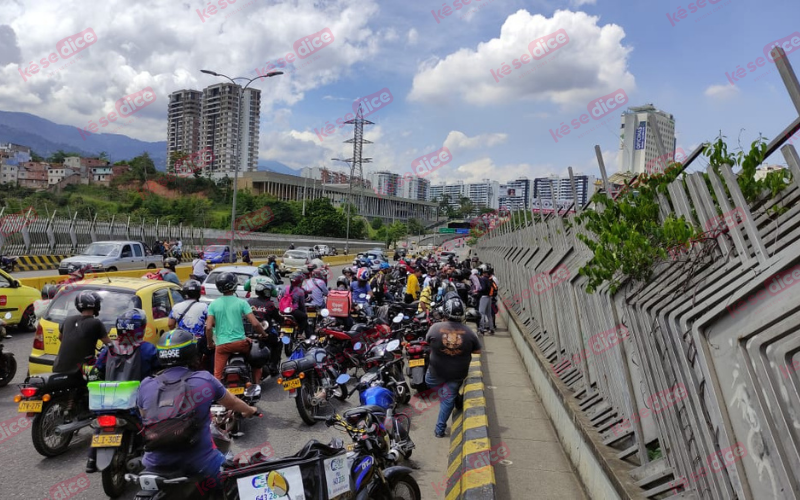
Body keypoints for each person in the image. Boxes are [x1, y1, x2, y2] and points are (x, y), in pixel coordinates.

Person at [137, 329, 258, 490]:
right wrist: (249, 410)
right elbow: (234, 402)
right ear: (192, 353)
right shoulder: (204, 379)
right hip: (200, 463)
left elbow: (144, 416)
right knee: (236, 484)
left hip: (153, 464)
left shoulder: (146, 384)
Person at [87, 309, 161, 472]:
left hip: (109, 398)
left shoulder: (109, 349)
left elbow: (97, 369)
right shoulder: (147, 349)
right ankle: (153, 458)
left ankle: (91, 459)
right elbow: (160, 370)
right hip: (137, 401)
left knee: (101, 423)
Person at [425, 297, 482, 438]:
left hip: (435, 374)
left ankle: (450, 398)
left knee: (435, 387)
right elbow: (477, 351)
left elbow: (427, 342)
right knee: (448, 399)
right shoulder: (469, 332)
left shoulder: (435, 328)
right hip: (457, 374)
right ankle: (439, 429)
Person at [205, 272, 268, 388]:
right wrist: (263, 334)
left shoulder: (213, 305)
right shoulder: (242, 303)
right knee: (257, 360)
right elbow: (255, 323)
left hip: (222, 346)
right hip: (240, 344)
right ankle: (257, 384)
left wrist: (210, 343)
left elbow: (208, 327)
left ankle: (220, 395)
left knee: (217, 375)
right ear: (234, 285)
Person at [53, 291, 113, 373]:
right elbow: (111, 345)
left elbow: (61, 338)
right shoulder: (96, 323)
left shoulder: (68, 320)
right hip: (80, 373)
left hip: (58, 368)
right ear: (96, 305)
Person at [168, 280, 211, 372]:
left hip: (181, 341)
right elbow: (211, 324)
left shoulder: (176, 307)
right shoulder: (204, 306)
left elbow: (170, 324)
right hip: (199, 341)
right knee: (212, 354)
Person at [247, 281, 282, 376]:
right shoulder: (269, 304)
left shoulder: (249, 301)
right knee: (278, 342)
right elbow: (278, 318)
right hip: (264, 333)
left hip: (248, 332)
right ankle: (273, 366)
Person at [282, 272, 309, 337]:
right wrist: (304, 313)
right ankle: (299, 334)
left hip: (283, 310)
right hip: (293, 311)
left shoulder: (285, 288)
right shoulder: (300, 291)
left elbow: (280, 298)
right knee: (304, 317)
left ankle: (281, 333)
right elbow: (302, 305)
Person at [478, 267, 496, 335]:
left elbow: (483, 288)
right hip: (489, 297)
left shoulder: (482, 279)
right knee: (489, 314)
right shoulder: (489, 279)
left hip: (483, 297)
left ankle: (481, 329)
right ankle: (491, 329)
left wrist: (478, 290)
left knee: (481, 313)